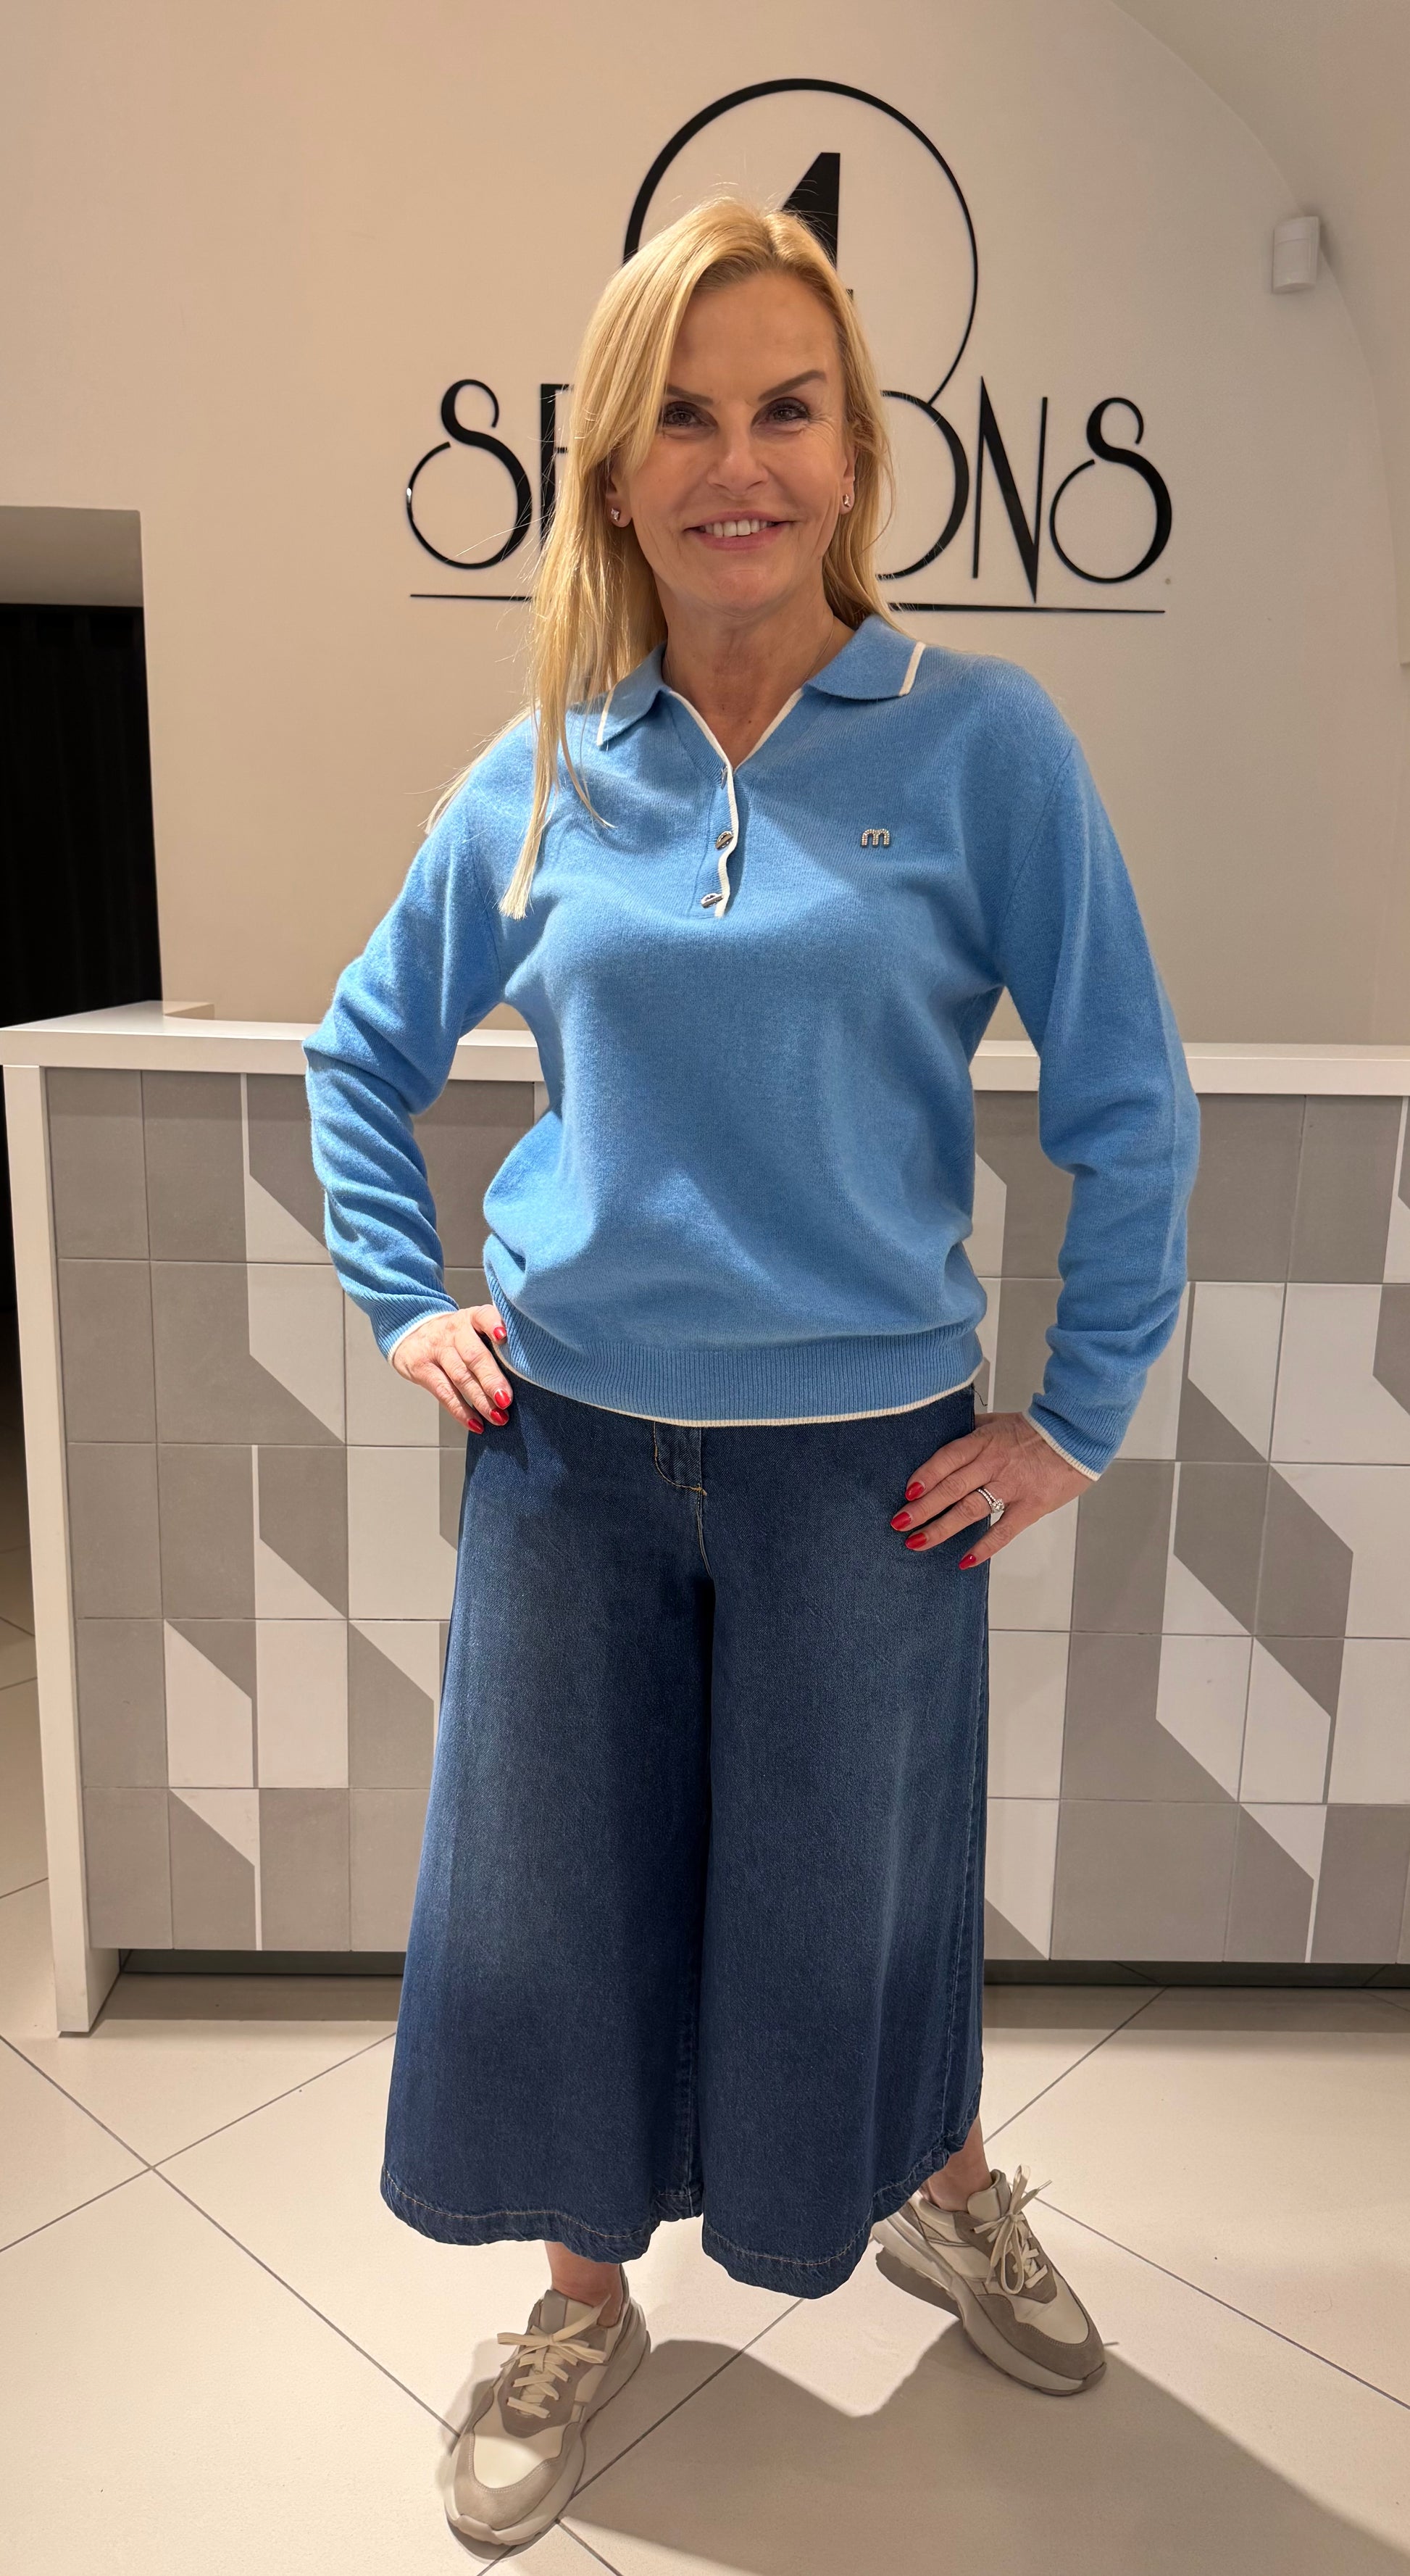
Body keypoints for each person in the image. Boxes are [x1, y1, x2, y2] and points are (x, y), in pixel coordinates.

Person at [305, 195, 1200, 2545]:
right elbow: (357, 1056)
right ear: (612, 472)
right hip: (569, 1459)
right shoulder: (540, 771)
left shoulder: (981, 745)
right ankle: (579, 2295)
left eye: (785, 407)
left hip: (862, 1471)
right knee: (560, 1897)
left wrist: (1074, 1412)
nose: (739, 461)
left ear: (854, 451)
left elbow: (1128, 1098)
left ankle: (940, 2188)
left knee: (857, 1889)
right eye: (682, 417)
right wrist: (405, 1292)